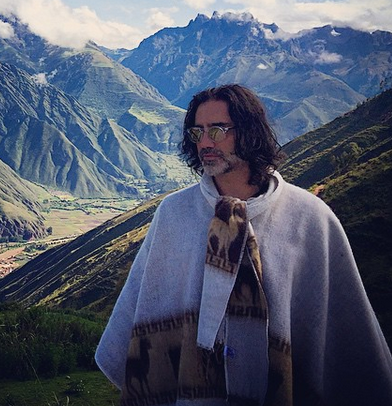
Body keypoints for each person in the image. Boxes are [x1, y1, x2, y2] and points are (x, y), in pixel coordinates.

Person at [95, 84, 392, 406]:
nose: (206, 143)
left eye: (218, 131)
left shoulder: (309, 217)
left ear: (249, 132)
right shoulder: (174, 213)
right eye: (198, 132)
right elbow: (147, 306)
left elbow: (340, 329)